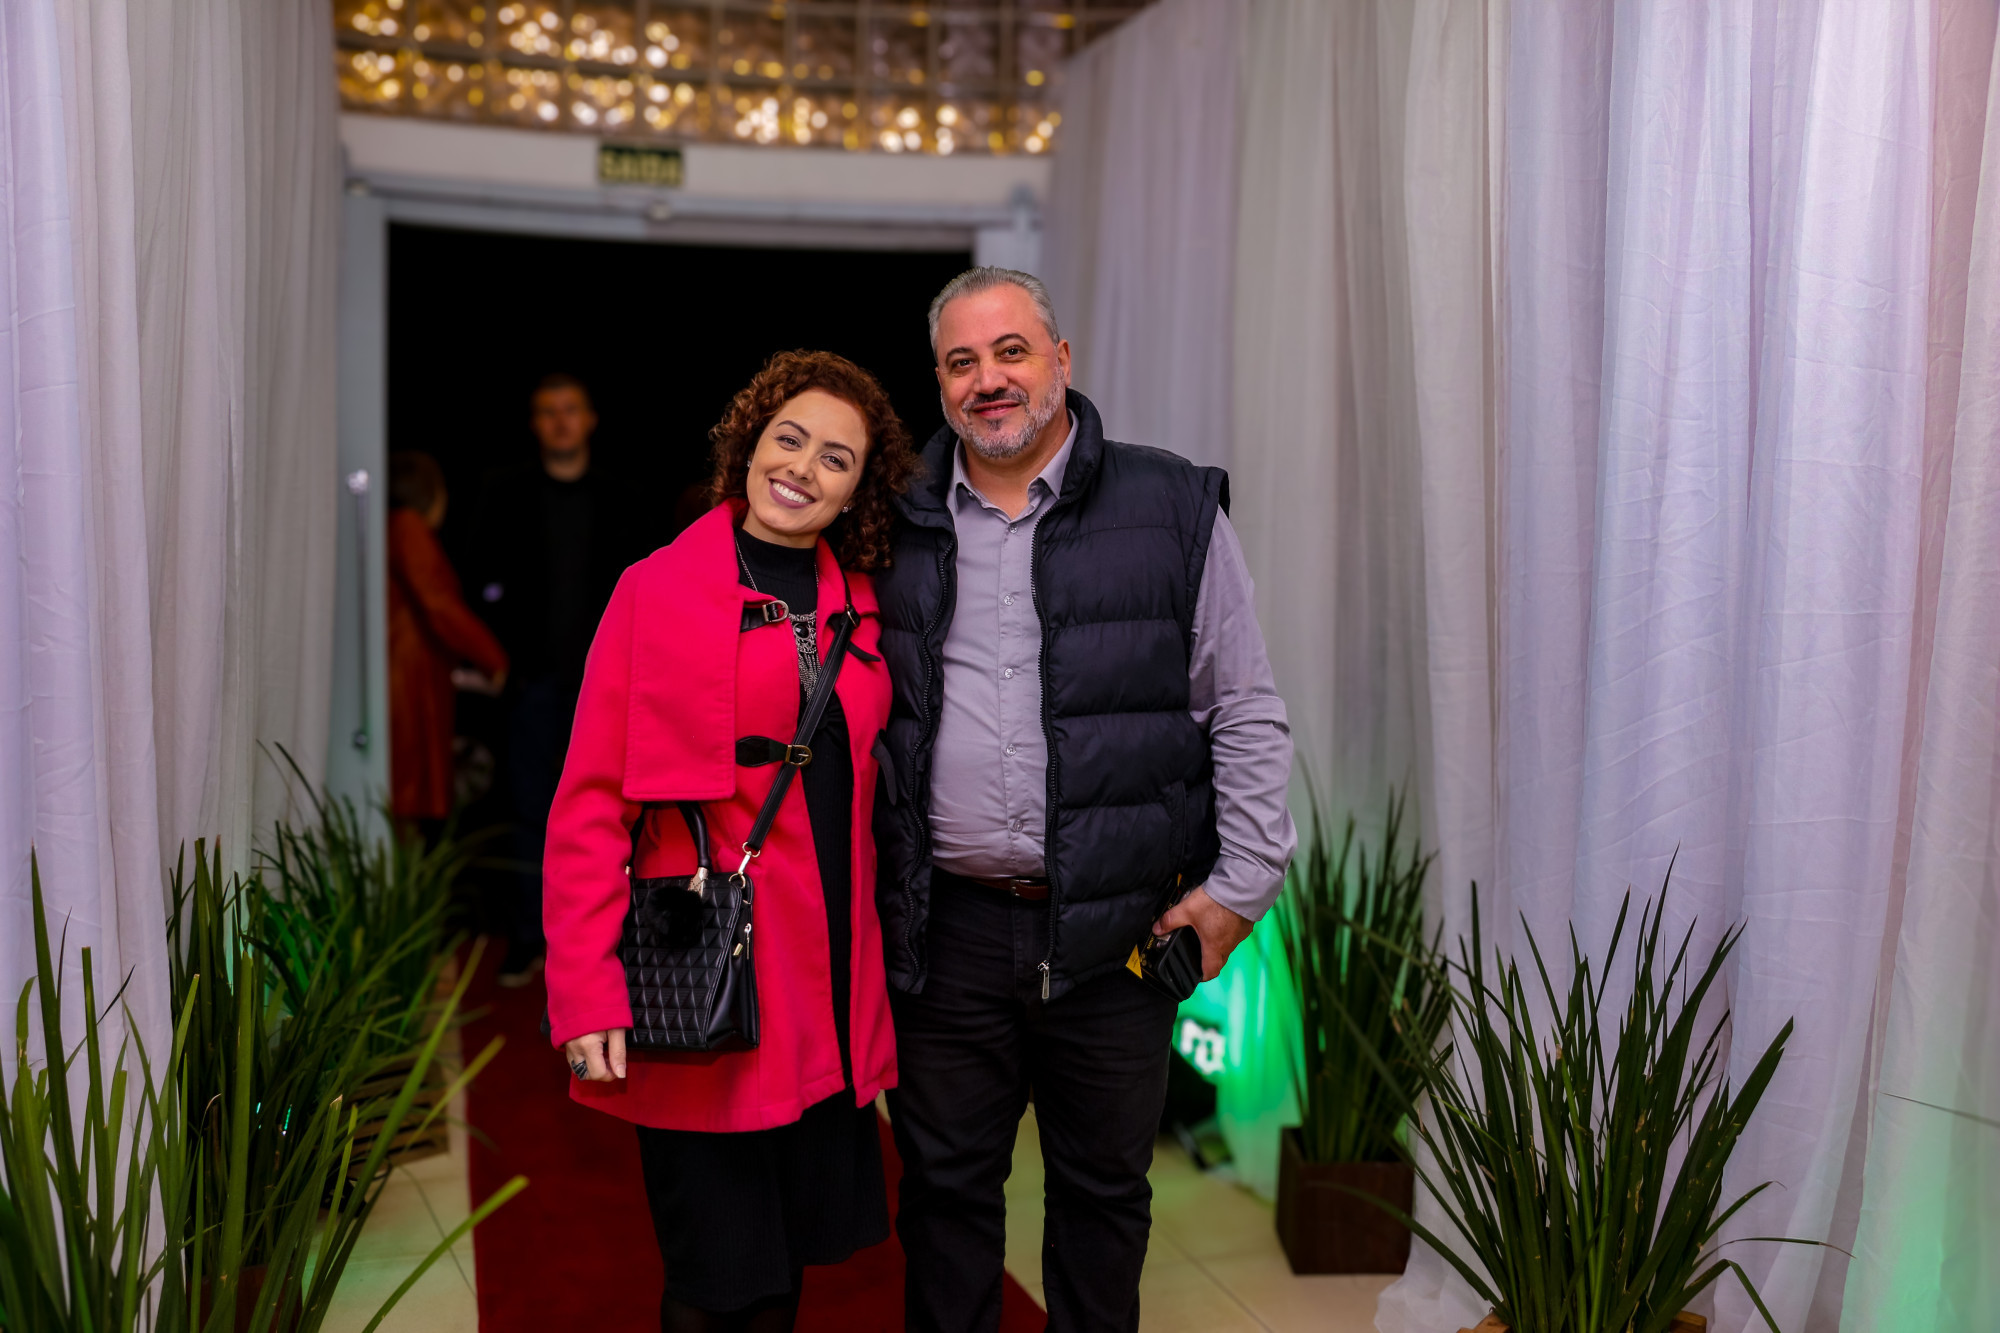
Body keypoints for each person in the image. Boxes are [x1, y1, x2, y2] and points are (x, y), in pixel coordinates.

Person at [872, 268, 1297, 1333]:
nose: (988, 379)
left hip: (1116, 932)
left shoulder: (1172, 505)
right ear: (938, 382)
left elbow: (1242, 703)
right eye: (961, 361)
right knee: (944, 1199)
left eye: (1010, 350)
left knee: (1103, 1200)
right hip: (945, 931)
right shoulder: (891, 516)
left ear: (1061, 360)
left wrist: (1241, 887)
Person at [542, 351, 920, 1333]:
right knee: (717, 1279)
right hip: (711, 983)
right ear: (749, 443)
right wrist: (585, 989)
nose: (802, 467)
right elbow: (588, 807)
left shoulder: (864, 603)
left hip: (828, 990)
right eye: (788, 439)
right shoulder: (655, 591)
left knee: (783, 1272)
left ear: (856, 490)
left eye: (835, 457)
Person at [465, 373, 638, 986]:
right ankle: (528, 939)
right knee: (528, 815)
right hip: (532, 688)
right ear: (535, 425)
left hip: (608, 690)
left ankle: (610, 943)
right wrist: (500, 662)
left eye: (571, 409)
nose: (561, 421)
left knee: (612, 816)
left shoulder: (622, 497)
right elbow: (477, 582)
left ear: (590, 420)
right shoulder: (504, 493)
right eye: (548, 411)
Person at [386, 451, 508, 832]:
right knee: (404, 803)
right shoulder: (408, 527)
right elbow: (438, 602)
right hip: (408, 677)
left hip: (407, 671)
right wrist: (492, 658)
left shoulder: (392, 527)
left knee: (403, 802)